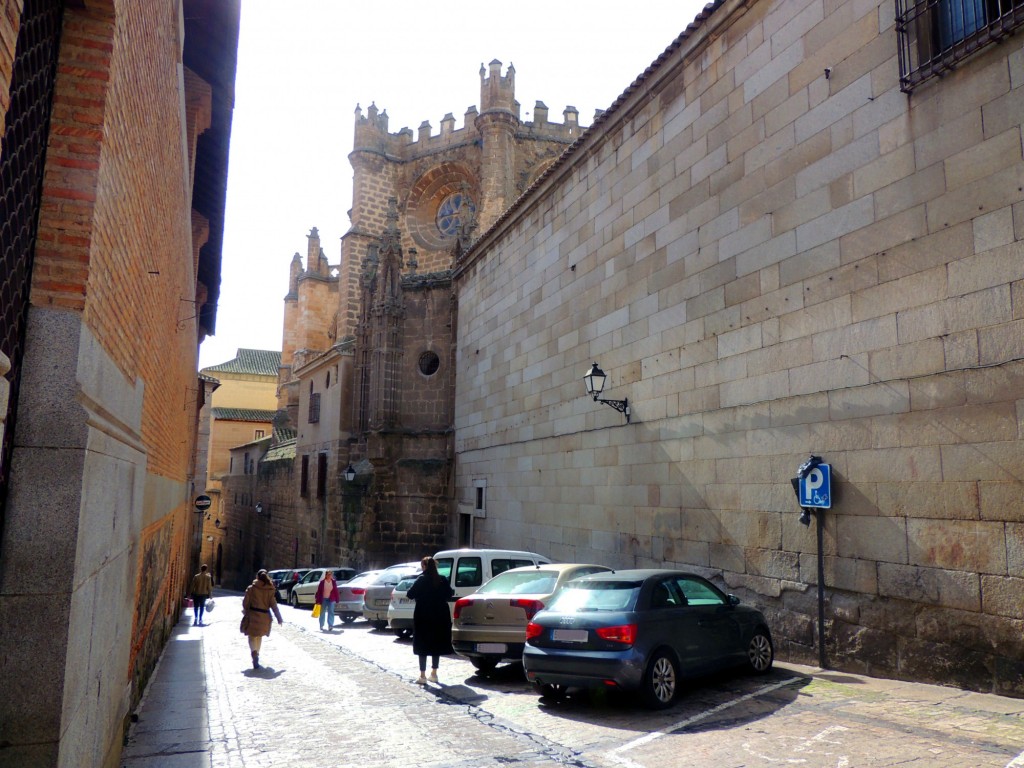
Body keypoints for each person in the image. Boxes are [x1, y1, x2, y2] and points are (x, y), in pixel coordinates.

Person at [407, 556, 454, 684]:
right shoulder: (442, 579)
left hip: (423, 615)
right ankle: (434, 673)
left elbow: (410, 594)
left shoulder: (421, 579)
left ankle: (422, 676)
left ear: (424, 566)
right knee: (436, 644)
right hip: (440, 616)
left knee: (422, 644)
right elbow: (450, 594)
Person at [240, 569, 283, 669]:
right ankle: (257, 654)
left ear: (257, 577)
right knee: (259, 636)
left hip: (253, 615)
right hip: (264, 617)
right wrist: (279, 618)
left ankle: (254, 653)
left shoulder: (251, 588)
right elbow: (274, 605)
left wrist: (246, 610)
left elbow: (245, 603)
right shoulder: (270, 590)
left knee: (251, 636)